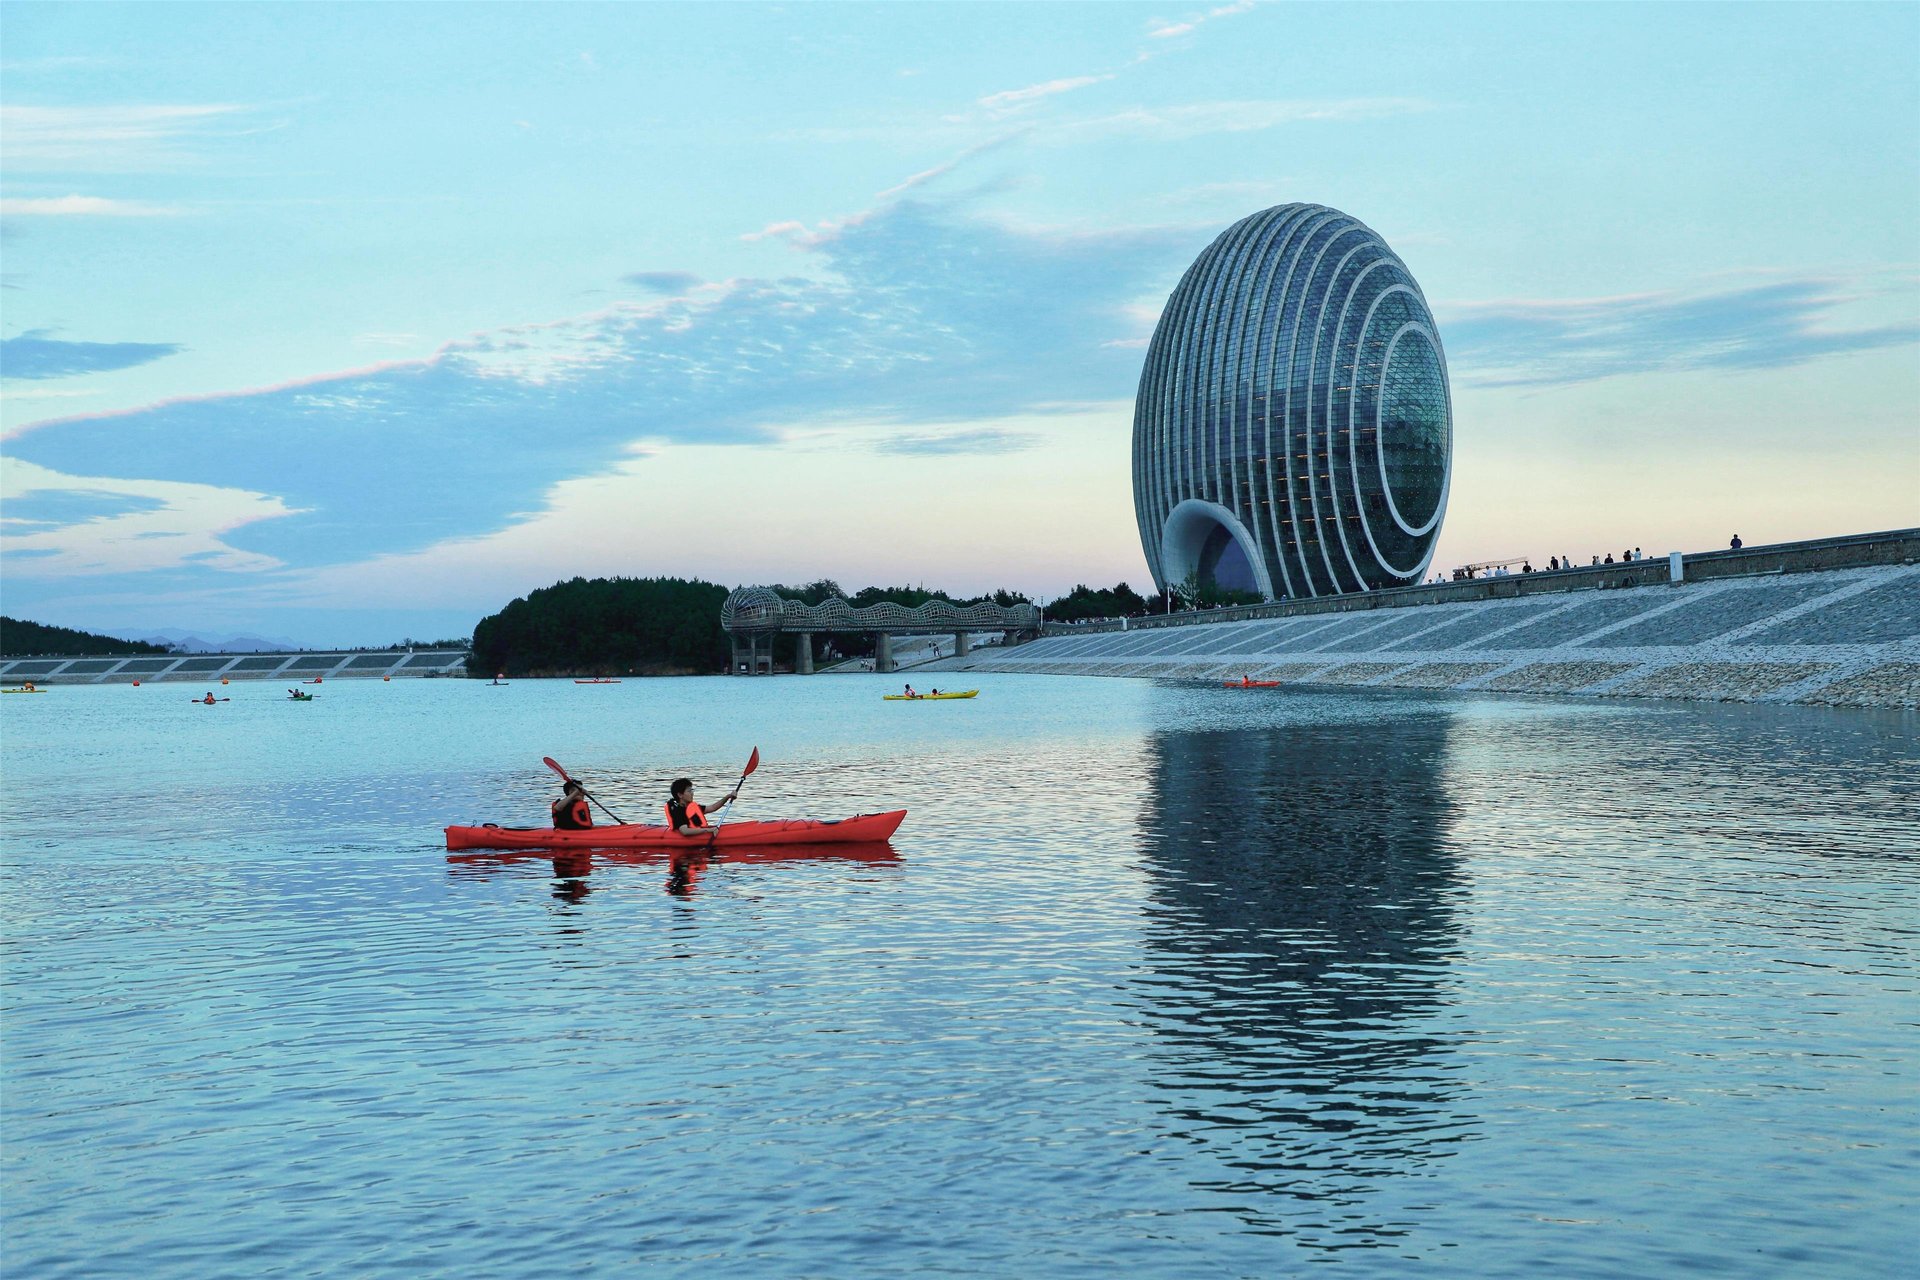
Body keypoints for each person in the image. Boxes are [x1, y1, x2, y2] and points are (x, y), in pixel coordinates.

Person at [666, 777, 736, 836]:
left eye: (692, 790)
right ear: (680, 795)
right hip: (679, 837)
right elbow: (685, 831)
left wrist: (728, 797)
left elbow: (713, 808)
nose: (692, 793)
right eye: (689, 791)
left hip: (697, 830)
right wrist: (708, 830)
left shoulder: (691, 808)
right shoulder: (677, 811)